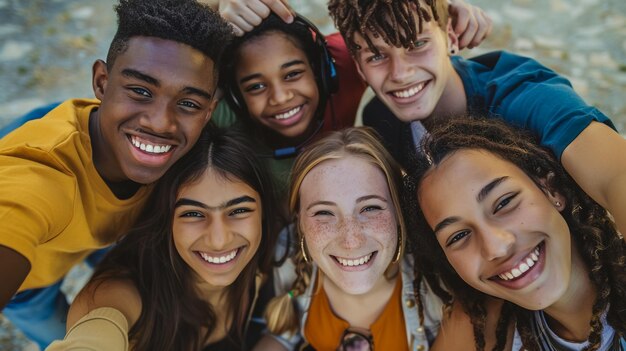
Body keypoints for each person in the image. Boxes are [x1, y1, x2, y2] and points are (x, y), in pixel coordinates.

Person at [0, 0, 232, 348]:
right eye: (140, 91)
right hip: (32, 285)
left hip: (98, 232)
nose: (161, 122)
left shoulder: (194, 146)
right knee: (63, 334)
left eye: (188, 103)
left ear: (209, 111)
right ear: (101, 82)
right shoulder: (40, 176)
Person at [327, 0, 626, 235]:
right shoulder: (381, 119)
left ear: (451, 38)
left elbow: (615, 174)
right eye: (376, 56)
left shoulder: (519, 95)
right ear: (359, 67)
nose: (401, 74)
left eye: (418, 44)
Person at [46, 126, 282, 351]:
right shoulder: (118, 294)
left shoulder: (274, 256)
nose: (219, 240)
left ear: (263, 212)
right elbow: (94, 334)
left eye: (238, 211)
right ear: (164, 220)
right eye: (192, 214)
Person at [403, 117, 626, 350]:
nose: (495, 247)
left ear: (550, 190)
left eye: (504, 203)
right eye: (458, 236)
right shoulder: (486, 328)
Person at [262, 127, 444, 351]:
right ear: (299, 222)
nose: (351, 241)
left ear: (399, 212)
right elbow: (283, 337)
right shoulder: (288, 254)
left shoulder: (438, 287)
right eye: (324, 213)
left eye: (370, 208)